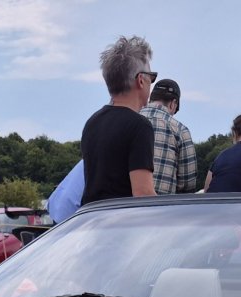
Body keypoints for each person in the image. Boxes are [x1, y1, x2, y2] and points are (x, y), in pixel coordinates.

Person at [79, 36, 157, 205]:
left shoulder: (92, 123)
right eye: (152, 77)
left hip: (93, 221)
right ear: (141, 80)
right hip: (122, 224)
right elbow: (143, 194)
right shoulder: (139, 126)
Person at [139, 77, 197, 196]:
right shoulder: (180, 130)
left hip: (124, 206)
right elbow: (188, 183)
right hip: (162, 208)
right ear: (173, 103)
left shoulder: (130, 120)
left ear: (151, 98)